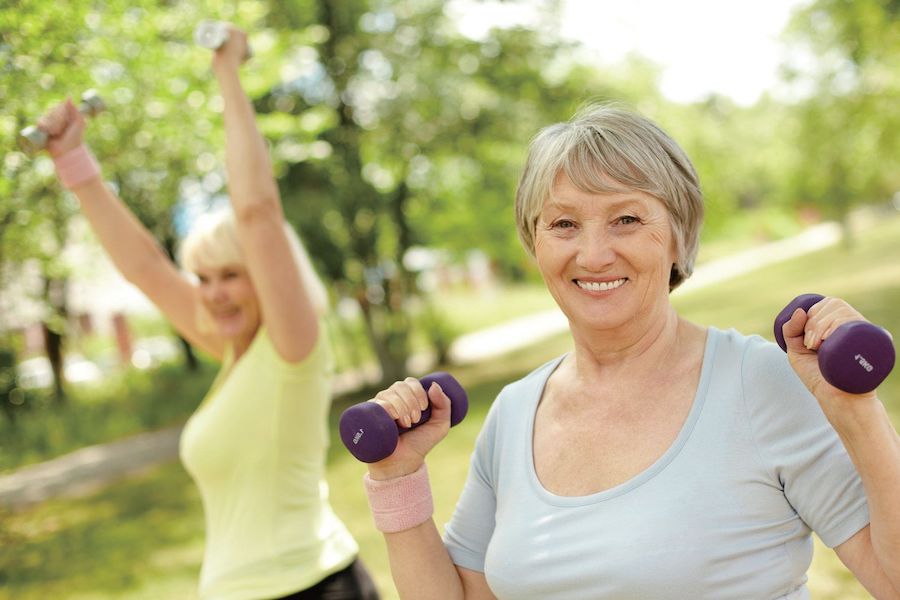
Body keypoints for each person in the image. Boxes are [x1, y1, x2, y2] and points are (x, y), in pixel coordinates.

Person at [358, 104, 900, 599]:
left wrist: (854, 411)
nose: (594, 255)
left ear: (679, 237)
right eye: (564, 224)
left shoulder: (759, 381)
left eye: (627, 219)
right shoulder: (515, 411)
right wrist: (395, 478)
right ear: (534, 243)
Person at [37, 24, 379, 600]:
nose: (213, 293)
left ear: (269, 276)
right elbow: (145, 266)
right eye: (203, 278)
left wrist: (228, 73)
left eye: (231, 275)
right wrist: (73, 159)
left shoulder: (294, 350)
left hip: (311, 585)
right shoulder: (231, 356)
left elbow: (257, 212)